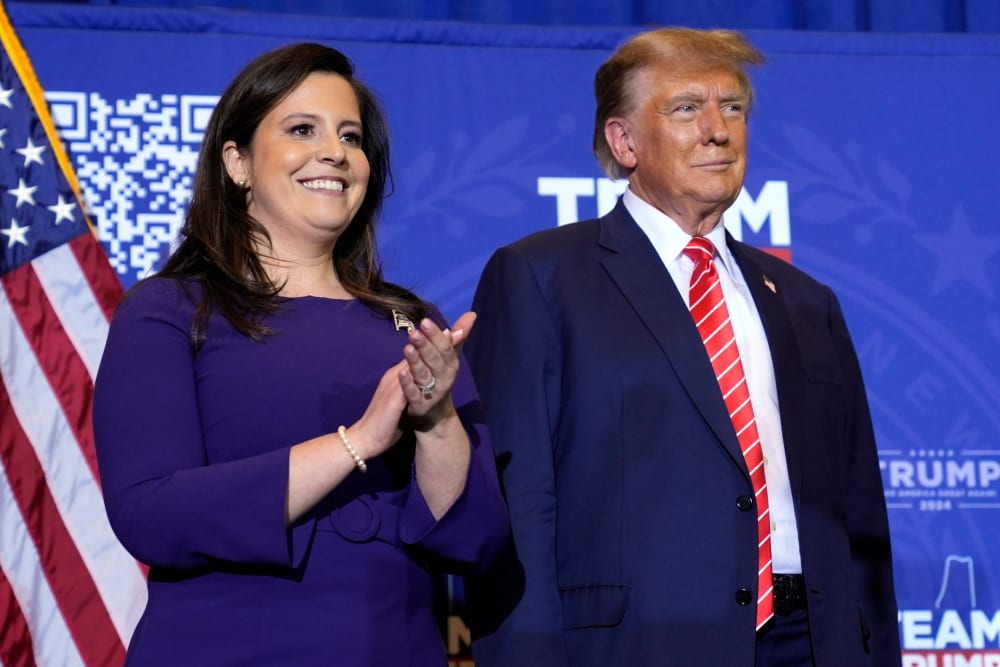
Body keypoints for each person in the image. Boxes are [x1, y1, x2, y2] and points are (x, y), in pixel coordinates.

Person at [464, 27, 900, 667]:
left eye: (733, 108)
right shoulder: (540, 277)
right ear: (624, 140)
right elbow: (517, 501)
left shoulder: (806, 301)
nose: (718, 130)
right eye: (687, 108)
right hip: (638, 642)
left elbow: (860, 511)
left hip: (812, 641)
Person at [92, 42, 508, 666]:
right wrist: (358, 442)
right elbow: (151, 513)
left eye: (350, 136)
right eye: (301, 130)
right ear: (237, 162)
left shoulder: (412, 323)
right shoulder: (169, 310)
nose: (335, 152)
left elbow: (477, 539)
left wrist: (437, 422)